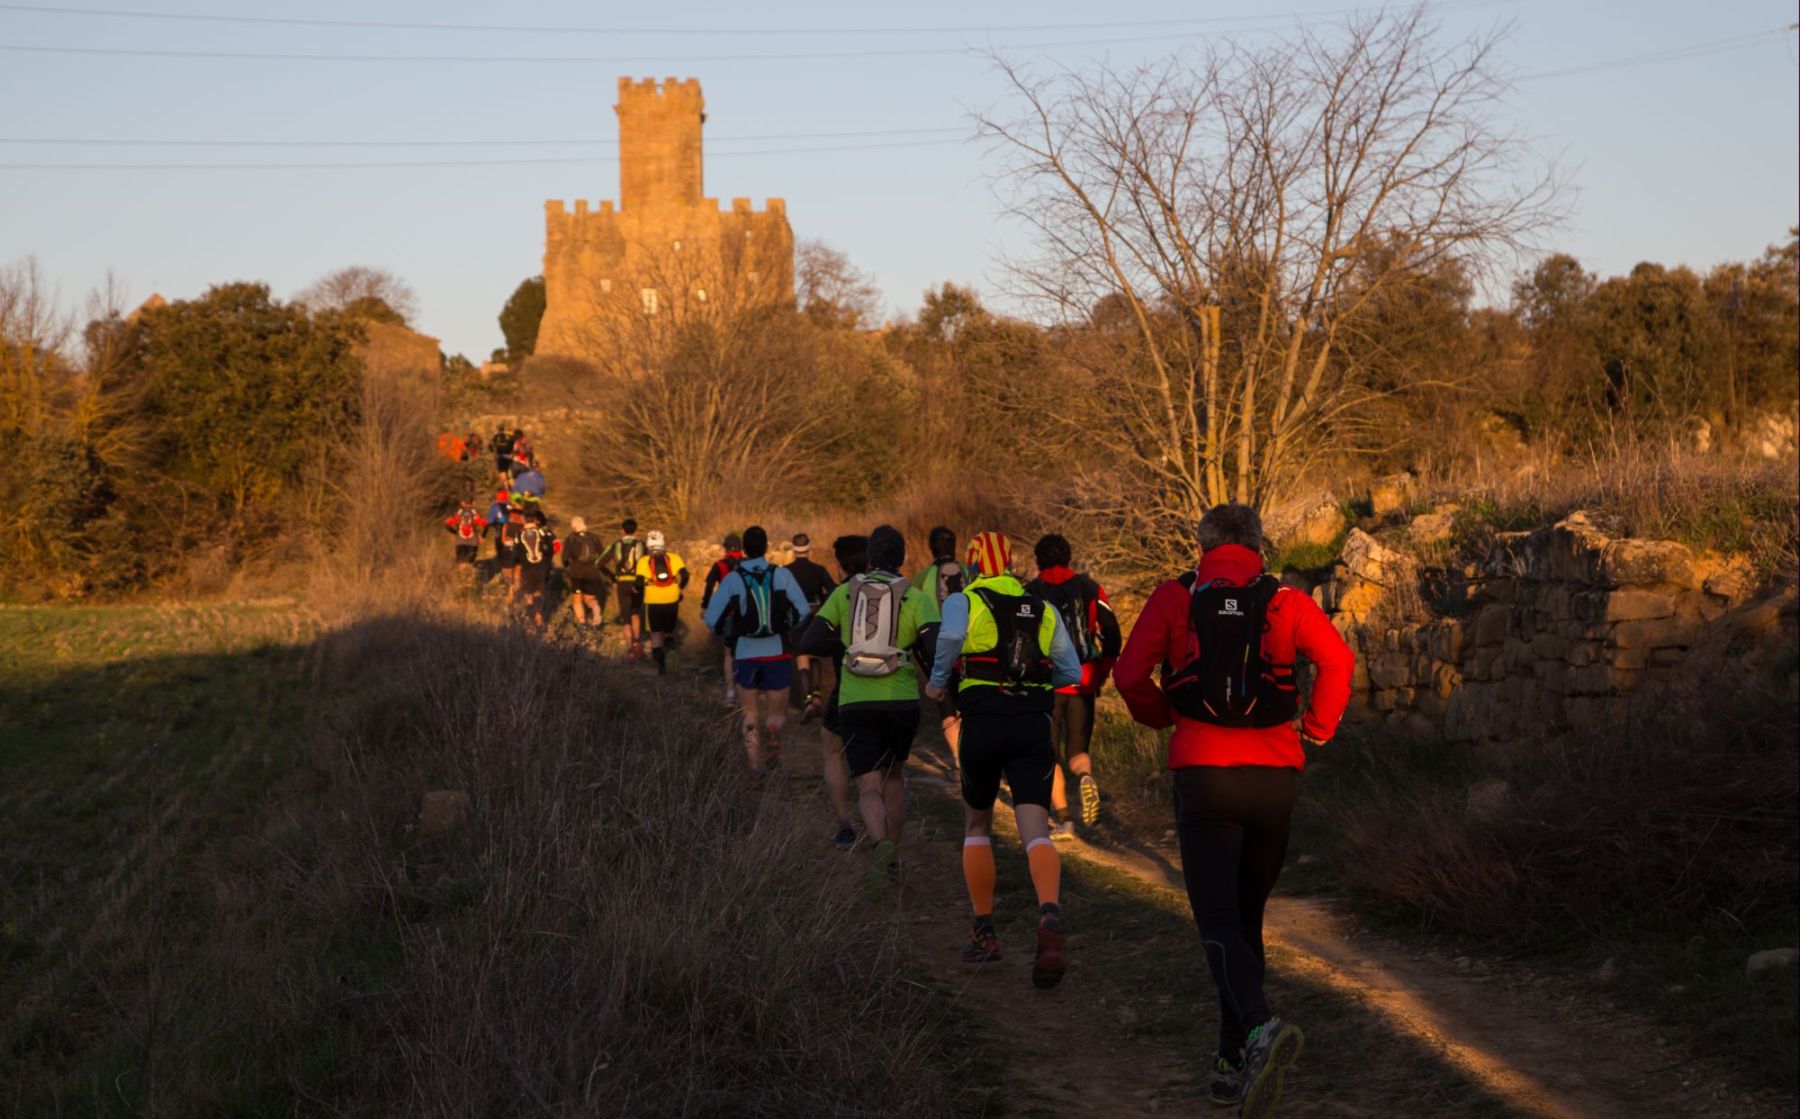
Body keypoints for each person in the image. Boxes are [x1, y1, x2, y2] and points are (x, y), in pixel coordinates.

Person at [1113, 505, 1353, 1115]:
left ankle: (1259, 1029)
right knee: (1245, 920)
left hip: (1205, 779)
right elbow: (1338, 662)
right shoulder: (1286, 601)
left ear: (1203, 545)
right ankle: (1230, 1060)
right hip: (1275, 778)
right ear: (1259, 546)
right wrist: (1317, 731)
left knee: (1218, 922)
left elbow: (1128, 672)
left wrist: (1164, 716)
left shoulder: (1176, 597)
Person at [926, 530, 1081, 990]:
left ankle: (984, 932)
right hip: (1033, 723)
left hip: (983, 722)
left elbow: (951, 636)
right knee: (1035, 826)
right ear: (1011, 565)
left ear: (974, 566)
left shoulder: (963, 601)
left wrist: (938, 681)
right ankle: (1049, 910)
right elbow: (1071, 670)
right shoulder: (1043, 608)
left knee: (977, 824)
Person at [800, 525, 937, 894]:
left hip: (856, 700)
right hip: (902, 698)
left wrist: (847, 643)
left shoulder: (846, 593)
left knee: (868, 784)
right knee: (894, 776)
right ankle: (893, 862)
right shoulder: (917, 596)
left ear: (871, 558)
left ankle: (881, 845)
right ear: (903, 558)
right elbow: (936, 650)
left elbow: (810, 639)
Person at [1026, 533, 1122, 837]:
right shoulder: (1091, 587)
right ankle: (1084, 776)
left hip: (1047, 683)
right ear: (1068, 557)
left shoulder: (1030, 592)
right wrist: (1104, 670)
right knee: (1078, 747)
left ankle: (1065, 819)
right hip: (1083, 679)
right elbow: (1112, 633)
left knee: (1049, 754)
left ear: (1038, 559)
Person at [702, 525, 810, 777]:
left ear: (744, 550)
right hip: (778, 651)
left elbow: (711, 619)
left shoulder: (734, 578)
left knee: (749, 712)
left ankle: (754, 766)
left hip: (745, 653)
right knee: (776, 710)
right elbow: (803, 609)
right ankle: (774, 737)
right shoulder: (781, 575)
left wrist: (729, 633)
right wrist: (787, 626)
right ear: (767, 547)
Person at [916, 525, 967, 768]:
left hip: (936, 647)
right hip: (970, 646)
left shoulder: (923, 577)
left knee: (946, 706)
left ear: (931, 548)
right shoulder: (970, 572)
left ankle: (959, 761)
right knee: (968, 702)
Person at [784, 532, 838, 721]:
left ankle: (807, 700)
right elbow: (833, 590)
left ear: (793, 549)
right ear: (809, 549)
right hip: (816, 616)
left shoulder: (786, 571)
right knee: (815, 655)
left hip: (796, 618)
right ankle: (816, 697)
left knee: (802, 657)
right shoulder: (819, 569)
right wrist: (822, 605)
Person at [632, 530, 689, 674]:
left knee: (656, 634)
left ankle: (661, 667)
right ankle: (672, 655)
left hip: (652, 602)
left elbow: (638, 583)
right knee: (669, 631)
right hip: (672, 600)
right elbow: (685, 575)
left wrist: (637, 589)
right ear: (663, 543)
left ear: (648, 545)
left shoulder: (644, 561)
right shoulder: (674, 558)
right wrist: (679, 589)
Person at [701, 533, 746, 706]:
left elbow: (709, 585)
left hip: (728, 615)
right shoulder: (747, 564)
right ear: (741, 548)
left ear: (724, 548)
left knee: (728, 654)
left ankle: (730, 692)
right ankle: (746, 689)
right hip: (746, 614)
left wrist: (705, 606)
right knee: (745, 652)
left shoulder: (719, 565)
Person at [601, 519, 647, 658]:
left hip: (622, 583)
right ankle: (638, 645)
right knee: (635, 613)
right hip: (637, 583)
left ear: (622, 530)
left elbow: (599, 562)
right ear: (636, 530)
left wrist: (612, 577)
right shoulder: (642, 544)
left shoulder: (615, 544)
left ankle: (629, 651)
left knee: (626, 617)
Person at [516, 507, 560, 626]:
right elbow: (555, 547)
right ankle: (538, 615)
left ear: (524, 520)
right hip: (542, 568)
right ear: (536, 520)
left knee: (528, 595)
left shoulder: (519, 534)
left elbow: (516, 554)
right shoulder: (545, 532)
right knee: (539, 593)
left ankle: (531, 622)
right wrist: (548, 559)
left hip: (526, 569)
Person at [562, 516, 606, 630]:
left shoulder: (570, 539)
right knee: (590, 599)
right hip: (593, 572)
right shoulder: (595, 538)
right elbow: (603, 555)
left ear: (573, 526)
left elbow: (565, 558)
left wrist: (568, 567)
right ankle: (596, 613)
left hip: (577, 572)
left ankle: (582, 625)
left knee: (577, 599)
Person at [444, 497, 486, 568]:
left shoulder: (458, 514)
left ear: (462, 502)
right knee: (470, 565)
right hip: (472, 543)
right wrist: (483, 536)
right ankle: (469, 578)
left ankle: (462, 578)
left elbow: (446, 523)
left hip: (460, 542)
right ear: (473, 503)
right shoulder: (475, 513)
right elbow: (485, 524)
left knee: (461, 564)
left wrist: (454, 532)